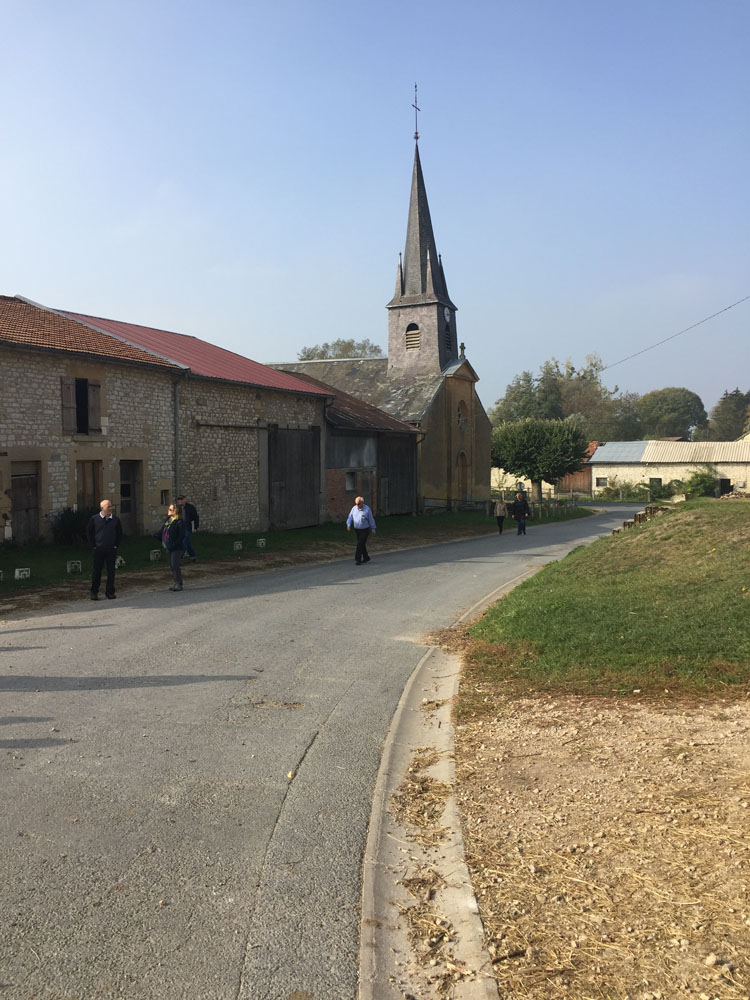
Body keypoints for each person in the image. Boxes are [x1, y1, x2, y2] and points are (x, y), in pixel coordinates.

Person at [86, 498, 122, 601]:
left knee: (111, 571)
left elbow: (119, 533)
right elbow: (89, 533)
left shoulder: (115, 519)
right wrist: (93, 545)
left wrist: (116, 545)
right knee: (97, 571)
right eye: (108, 507)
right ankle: (94, 592)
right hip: (98, 549)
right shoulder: (94, 519)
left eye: (111, 506)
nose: (111, 508)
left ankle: (110, 592)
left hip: (111, 549)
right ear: (102, 508)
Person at [160, 503, 186, 591]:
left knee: (175, 564)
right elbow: (163, 530)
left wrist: (175, 543)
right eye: (169, 509)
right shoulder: (168, 520)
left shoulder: (179, 522)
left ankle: (179, 583)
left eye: (170, 510)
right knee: (171, 565)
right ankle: (175, 582)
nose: (168, 511)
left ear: (176, 511)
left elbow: (181, 535)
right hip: (168, 545)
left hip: (177, 547)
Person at [346, 495, 376, 565]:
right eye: (356, 504)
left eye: (358, 504)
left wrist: (373, 529)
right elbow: (350, 517)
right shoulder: (354, 509)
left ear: (362, 503)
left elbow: (371, 520)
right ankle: (366, 557)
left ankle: (358, 559)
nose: (357, 505)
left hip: (365, 530)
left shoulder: (367, 509)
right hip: (357, 530)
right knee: (362, 544)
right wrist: (348, 524)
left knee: (359, 544)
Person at [177, 494, 199, 561]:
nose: (180, 501)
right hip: (180, 528)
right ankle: (193, 556)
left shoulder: (190, 507)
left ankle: (180, 557)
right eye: (179, 500)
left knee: (184, 542)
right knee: (187, 542)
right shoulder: (177, 508)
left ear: (185, 500)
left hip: (188, 527)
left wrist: (195, 527)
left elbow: (195, 517)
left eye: (181, 499)